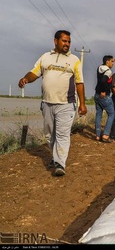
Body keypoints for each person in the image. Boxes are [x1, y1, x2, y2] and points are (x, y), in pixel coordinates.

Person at [18, 30, 87, 177]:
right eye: (64, 41)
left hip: (66, 104)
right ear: (55, 41)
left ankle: (60, 163)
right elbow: (34, 73)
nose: (67, 44)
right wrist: (25, 79)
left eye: (69, 41)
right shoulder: (45, 57)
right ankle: (55, 158)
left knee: (62, 134)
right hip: (47, 103)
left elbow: (80, 82)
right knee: (50, 135)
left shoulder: (74, 60)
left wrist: (82, 104)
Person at [94, 55, 115, 143]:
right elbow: (103, 81)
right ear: (107, 62)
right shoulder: (108, 71)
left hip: (96, 95)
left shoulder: (99, 67)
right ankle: (105, 135)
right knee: (112, 114)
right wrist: (103, 91)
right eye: (111, 61)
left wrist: (112, 59)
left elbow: (100, 79)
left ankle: (98, 135)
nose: (113, 63)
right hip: (104, 95)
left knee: (99, 114)